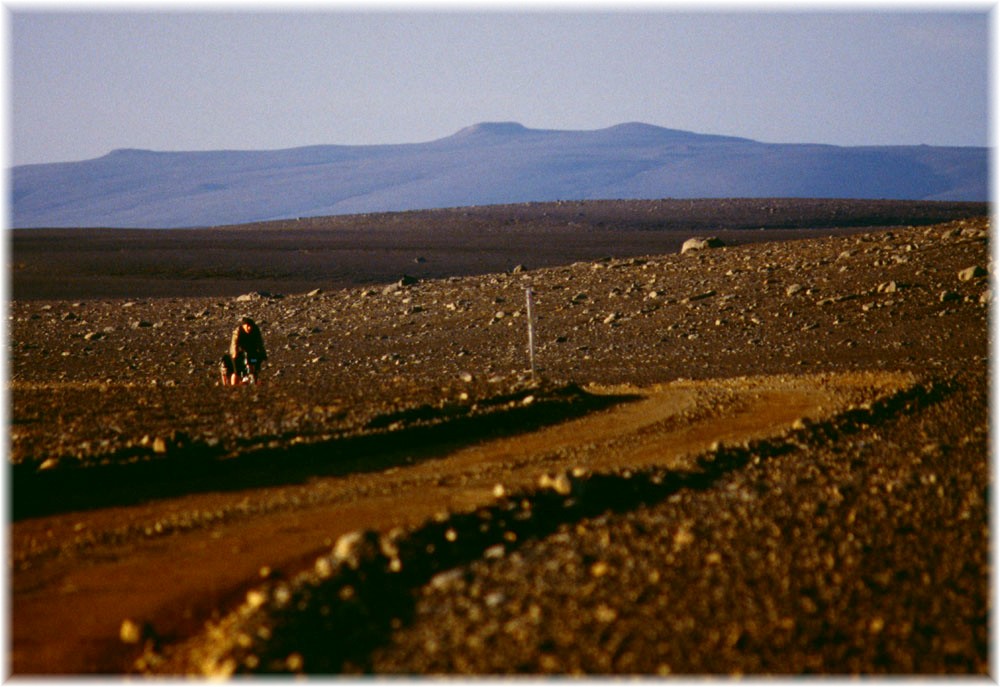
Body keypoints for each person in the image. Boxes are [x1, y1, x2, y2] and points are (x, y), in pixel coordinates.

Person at [220, 316, 268, 385]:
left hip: (251, 351)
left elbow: (259, 343)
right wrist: (235, 353)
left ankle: (254, 377)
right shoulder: (238, 331)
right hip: (239, 352)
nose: (249, 328)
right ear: (243, 326)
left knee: (254, 363)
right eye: (248, 326)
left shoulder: (255, 330)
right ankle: (235, 385)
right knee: (236, 371)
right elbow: (234, 344)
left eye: (250, 326)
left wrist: (262, 354)